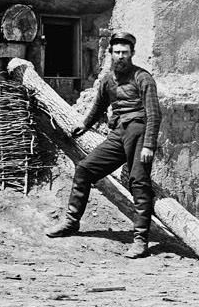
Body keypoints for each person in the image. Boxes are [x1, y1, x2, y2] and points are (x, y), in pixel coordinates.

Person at [46, 31, 161, 258]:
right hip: (118, 134)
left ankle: (140, 240)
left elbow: (154, 114)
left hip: (138, 132)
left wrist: (149, 145)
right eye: (117, 52)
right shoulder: (108, 80)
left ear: (132, 54)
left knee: (138, 181)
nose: (121, 57)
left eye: (125, 53)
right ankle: (71, 222)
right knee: (85, 169)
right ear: (110, 53)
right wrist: (84, 126)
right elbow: (99, 107)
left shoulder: (143, 78)